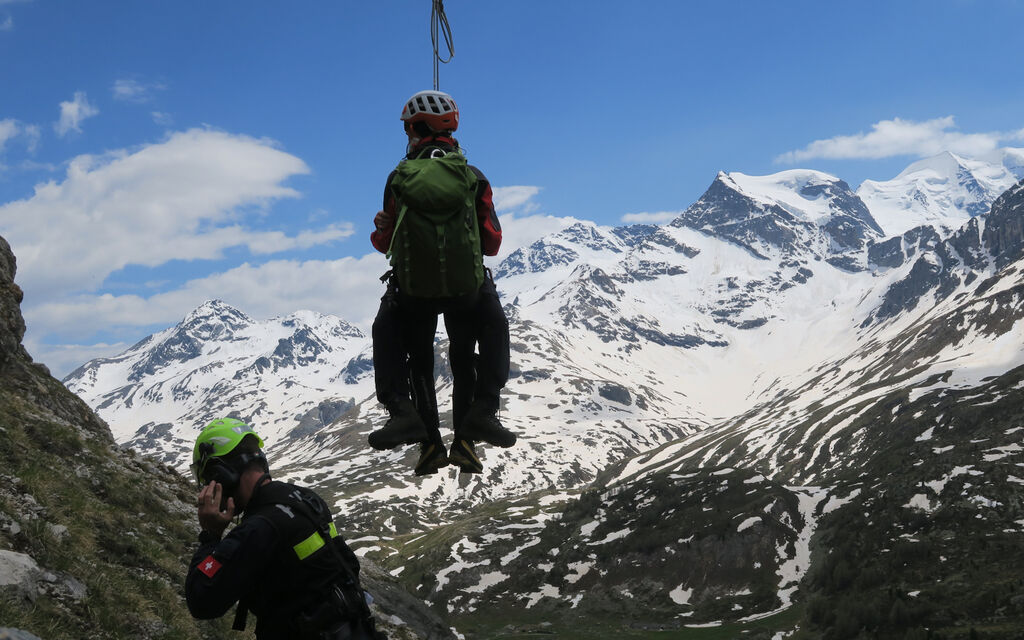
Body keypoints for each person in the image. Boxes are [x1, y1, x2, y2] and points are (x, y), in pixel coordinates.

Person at [367, 89, 514, 476]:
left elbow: (386, 244)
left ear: (417, 128)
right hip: (466, 291)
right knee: (471, 349)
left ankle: (416, 428)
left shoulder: (399, 178)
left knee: (405, 347)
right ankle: (476, 423)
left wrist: (380, 229)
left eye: (408, 129)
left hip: (414, 293)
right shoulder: (473, 177)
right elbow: (493, 242)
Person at [185, 418, 384, 640]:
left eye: (209, 479)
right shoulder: (306, 499)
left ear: (220, 475)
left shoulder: (260, 527)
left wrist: (210, 535)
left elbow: (201, 600)